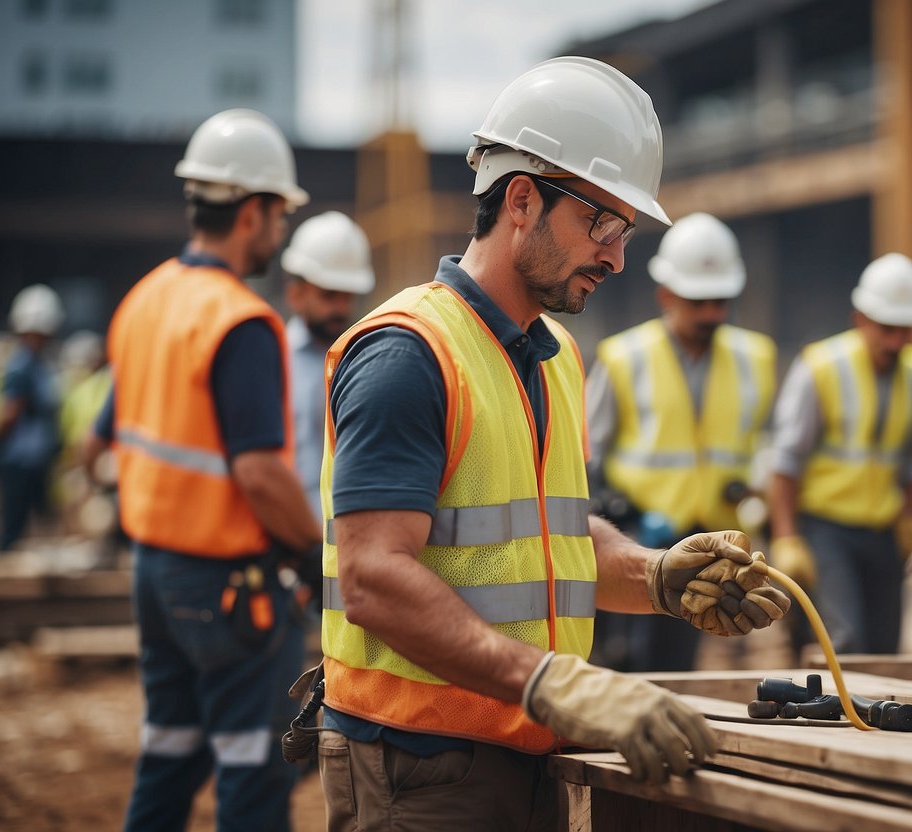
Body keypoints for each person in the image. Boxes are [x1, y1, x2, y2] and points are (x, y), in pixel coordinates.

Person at [312, 57, 790, 831]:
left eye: (623, 231)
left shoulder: (551, 356)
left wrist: (655, 575)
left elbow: (548, 538)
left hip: (522, 750)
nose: (616, 255)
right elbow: (371, 576)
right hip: (417, 767)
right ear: (523, 199)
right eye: (600, 223)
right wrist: (550, 683)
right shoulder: (408, 352)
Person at [88, 108, 322, 831]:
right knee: (252, 770)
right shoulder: (241, 321)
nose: (281, 233)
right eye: (279, 214)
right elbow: (258, 473)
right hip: (227, 584)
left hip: (153, 572)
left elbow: (105, 438)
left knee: (170, 751)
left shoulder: (146, 297)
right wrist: (318, 559)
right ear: (251, 212)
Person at [585, 212, 778, 672]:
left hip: (714, 535)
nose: (711, 313)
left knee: (679, 667)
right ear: (667, 294)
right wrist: (614, 508)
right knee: (628, 662)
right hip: (635, 535)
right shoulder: (623, 357)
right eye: (698, 301)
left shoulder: (756, 359)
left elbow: (763, 445)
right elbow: (587, 452)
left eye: (720, 301)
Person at [767, 253, 912, 654]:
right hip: (827, 529)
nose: (895, 341)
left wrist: (910, 519)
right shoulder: (820, 368)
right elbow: (786, 462)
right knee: (844, 640)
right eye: (886, 328)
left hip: (884, 530)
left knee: (885, 648)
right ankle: (841, 716)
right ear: (860, 318)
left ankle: (876, 718)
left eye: (905, 329)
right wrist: (788, 537)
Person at [281, 211, 375, 520]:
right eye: (329, 295)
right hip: (287, 539)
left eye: (347, 297)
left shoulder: (367, 362)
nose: (340, 308)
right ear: (296, 294)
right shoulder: (275, 361)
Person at [0, 284, 64, 552]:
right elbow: (10, 411)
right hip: (18, 460)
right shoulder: (22, 366)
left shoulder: (39, 365)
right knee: (12, 527)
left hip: (35, 460)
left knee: (38, 524)